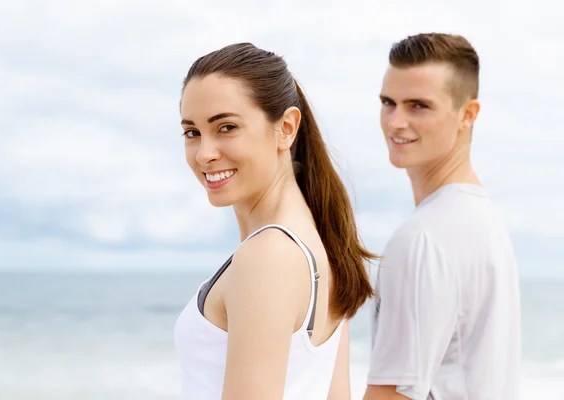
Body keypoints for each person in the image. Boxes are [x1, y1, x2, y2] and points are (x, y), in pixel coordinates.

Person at [173, 42, 376, 400]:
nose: (204, 154)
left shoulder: (267, 257)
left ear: (286, 128)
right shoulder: (323, 247)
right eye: (192, 132)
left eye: (226, 127)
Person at [362, 33, 522, 400]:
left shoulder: (423, 238)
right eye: (389, 103)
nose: (396, 122)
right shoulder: (484, 221)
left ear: (468, 115)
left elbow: (390, 395)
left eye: (418, 106)